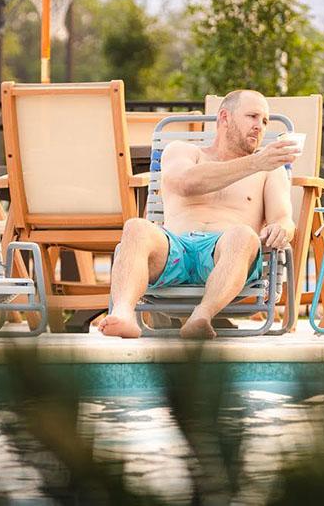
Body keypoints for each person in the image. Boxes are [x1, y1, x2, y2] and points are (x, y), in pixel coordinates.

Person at [98, 90, 298, 339]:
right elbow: (185, 183)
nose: (260, 127)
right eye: (253, 116)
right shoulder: (183, 151)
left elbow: (283, 218)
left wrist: (282, 229)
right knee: (136, 227)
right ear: (224, 117)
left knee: (244, 236)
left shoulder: (271, 170)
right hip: (175, 250)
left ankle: (201, 316)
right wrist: (255, 163)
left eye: (265, 121)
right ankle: (123, 314)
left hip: (225, 254)